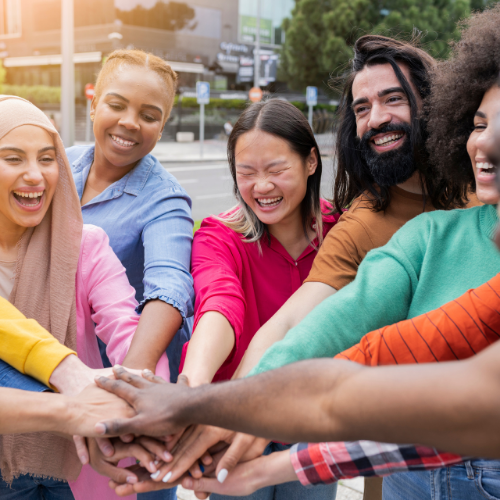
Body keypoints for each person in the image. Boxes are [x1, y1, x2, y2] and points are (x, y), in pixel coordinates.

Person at [98, 10, 500, 498]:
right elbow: (292, 327)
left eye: (393, 99)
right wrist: (217, 405)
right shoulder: (399, 233)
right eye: (361, 107)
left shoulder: (476, 197)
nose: (376, 118)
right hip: (397, 451)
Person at [0, 95, 166, 499]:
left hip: (75, 465)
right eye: (13, 159)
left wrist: (151, 392)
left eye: (47, 158)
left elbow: (125, 327)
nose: (35, 175)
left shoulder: (84, 246)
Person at [174, 99, 339, 499]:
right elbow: (219, 305)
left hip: (313, 422)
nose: (261, 187)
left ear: (311, 162)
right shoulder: (219, 235)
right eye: (246, 173)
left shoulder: (343, 230)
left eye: (277, 170)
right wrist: (192, 394)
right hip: (236, 417)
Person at [66, 49, 194, 383]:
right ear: (94, 104)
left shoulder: (167, 199)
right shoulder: (60, 164)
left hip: (116, 369)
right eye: (117, 105)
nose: (129, 122)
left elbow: (169, 286)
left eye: (149, 116)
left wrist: (132, 378)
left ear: (162, 127)